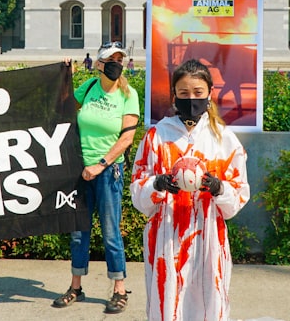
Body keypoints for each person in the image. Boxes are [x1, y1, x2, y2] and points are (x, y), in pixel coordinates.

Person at [130, 59, 250, 321]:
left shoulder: (224, 138)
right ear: (174, 96)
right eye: (184, 93)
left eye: (198, 93)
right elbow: (138, 193)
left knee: (209, 304)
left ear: (209, 94)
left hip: (209, 237)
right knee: (167, 305)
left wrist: (219, 189)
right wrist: (157, 185)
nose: (191, 99)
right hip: (166, 235)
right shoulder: (157, 136)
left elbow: (239, 194)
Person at [52, 42, 139, 314]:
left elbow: (127, 138)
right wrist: (66, 76)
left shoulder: (128, 94)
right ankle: (76, 286)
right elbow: (64, 107)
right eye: (110, 59)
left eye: (119, 59)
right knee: (79, 232)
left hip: (107, 172)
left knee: (111, 232)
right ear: (99, 64)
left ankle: (119, 289)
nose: (116, 63)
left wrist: (101, 165)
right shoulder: (89, 87)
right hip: (80, 171)